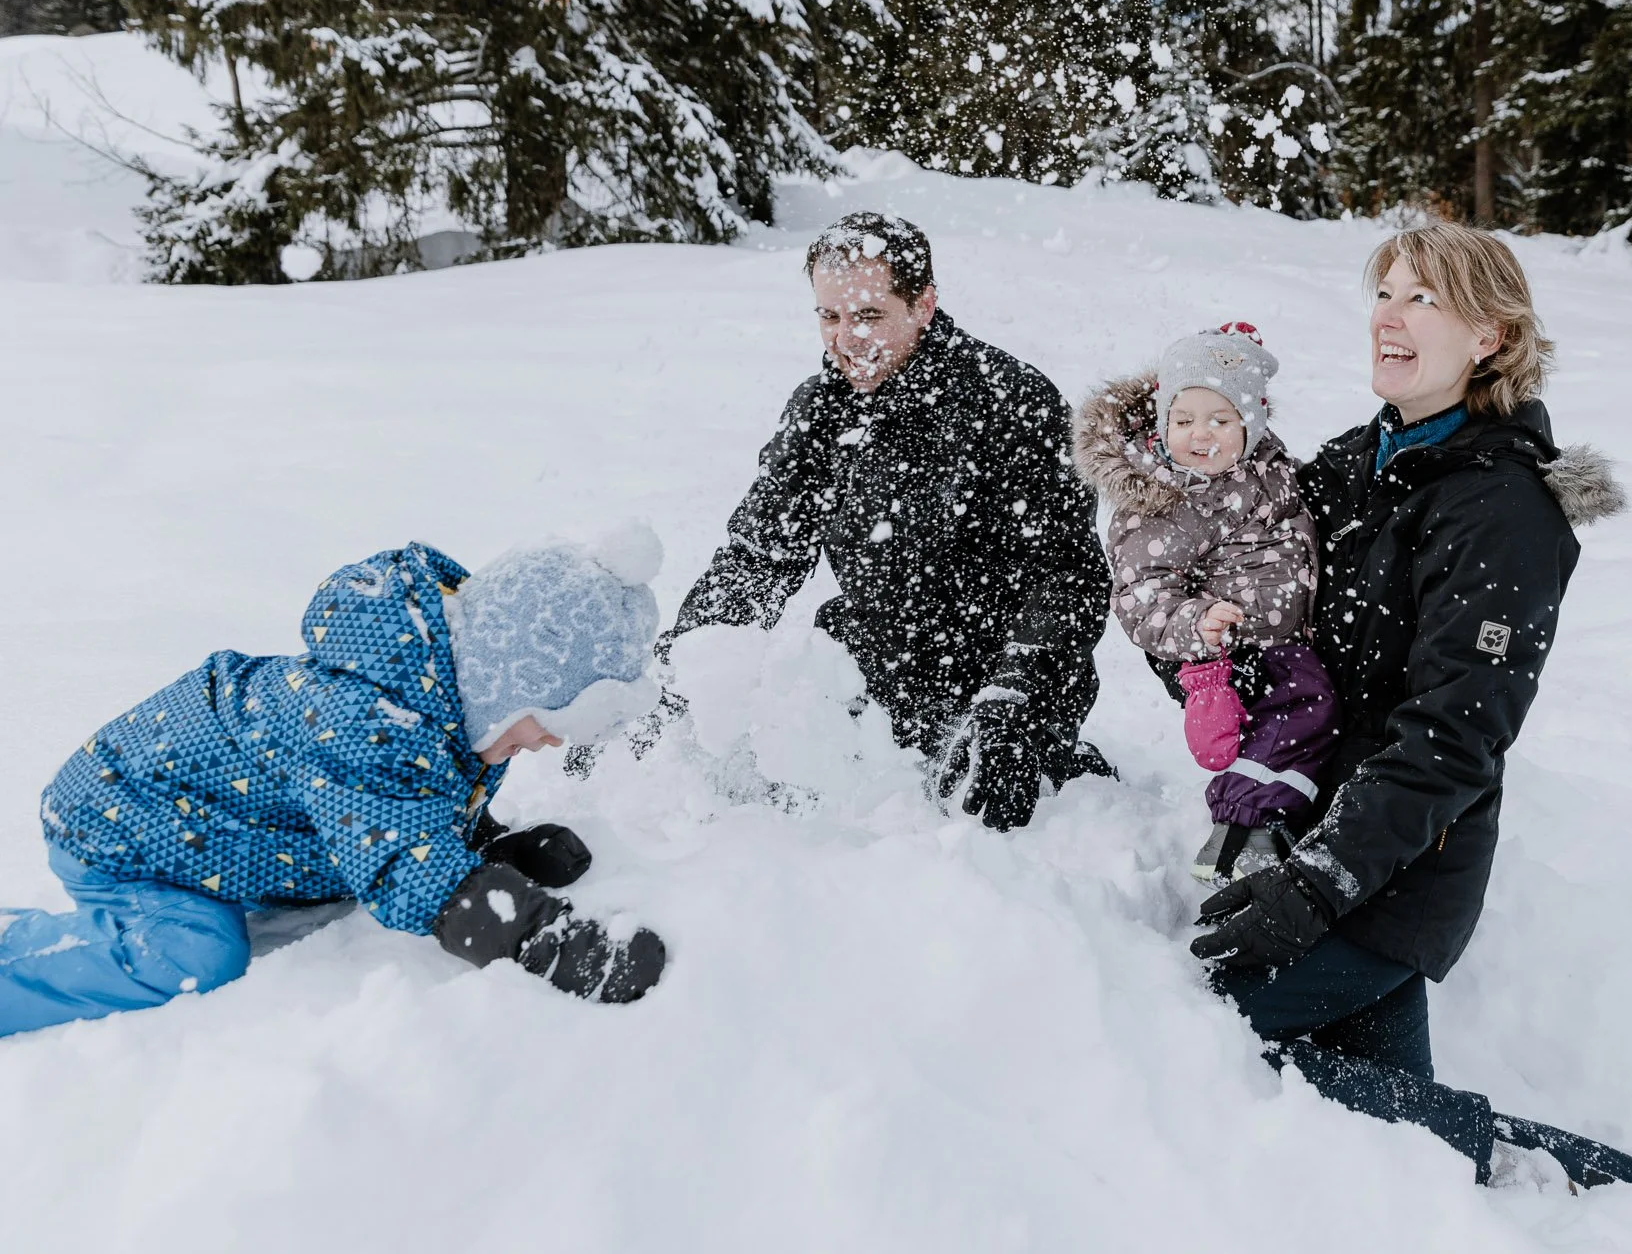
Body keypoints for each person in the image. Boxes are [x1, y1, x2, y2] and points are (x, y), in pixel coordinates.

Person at [1187, 223, 1632, 1195]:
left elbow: (1454, 739)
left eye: (1423, 298)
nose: (1389, 317)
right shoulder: (1358, 460)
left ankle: (1583, 1181)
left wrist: (1318, 886)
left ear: (1488, 335)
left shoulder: (1504, 513)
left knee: (1201, 1038)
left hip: (1392, 876)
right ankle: (1569, 1192)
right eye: (1385, 292)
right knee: (1394, 1154)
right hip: (1313, 839)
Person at [1, 527, 673, 1037]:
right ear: (506, 682)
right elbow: (401, 861)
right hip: (127, 828)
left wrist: (488, 851)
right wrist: (540, 938)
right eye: (549, 719)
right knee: (193, 956)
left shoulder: (431, 702)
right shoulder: (364, 720)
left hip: (199, 822)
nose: (551, 740)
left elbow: (409, 806)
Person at [660, 213, 1110, 830]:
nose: (846, 340)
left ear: (923, 304)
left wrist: (1014, 700)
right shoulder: (820, 409)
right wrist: (680, 668)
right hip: (869, 674)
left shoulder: (1012, 400)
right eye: (829, 317)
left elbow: (1069, 578)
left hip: (1000, 686)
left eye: (868, 316)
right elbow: (757, 556)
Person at [1073, 322, 1338, 883]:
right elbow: (1142, 593)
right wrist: (1199, 622)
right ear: (1162, 420)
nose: (1201, 436)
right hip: (1234, 645)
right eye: (1183, 420)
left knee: (1309, 715)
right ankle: (1244, 825)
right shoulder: (1164, 498)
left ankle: (1264, 816)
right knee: (1301, 712)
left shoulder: (1267, 466)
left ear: (1253, 424)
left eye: (1221, 420)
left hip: (1284, 630)